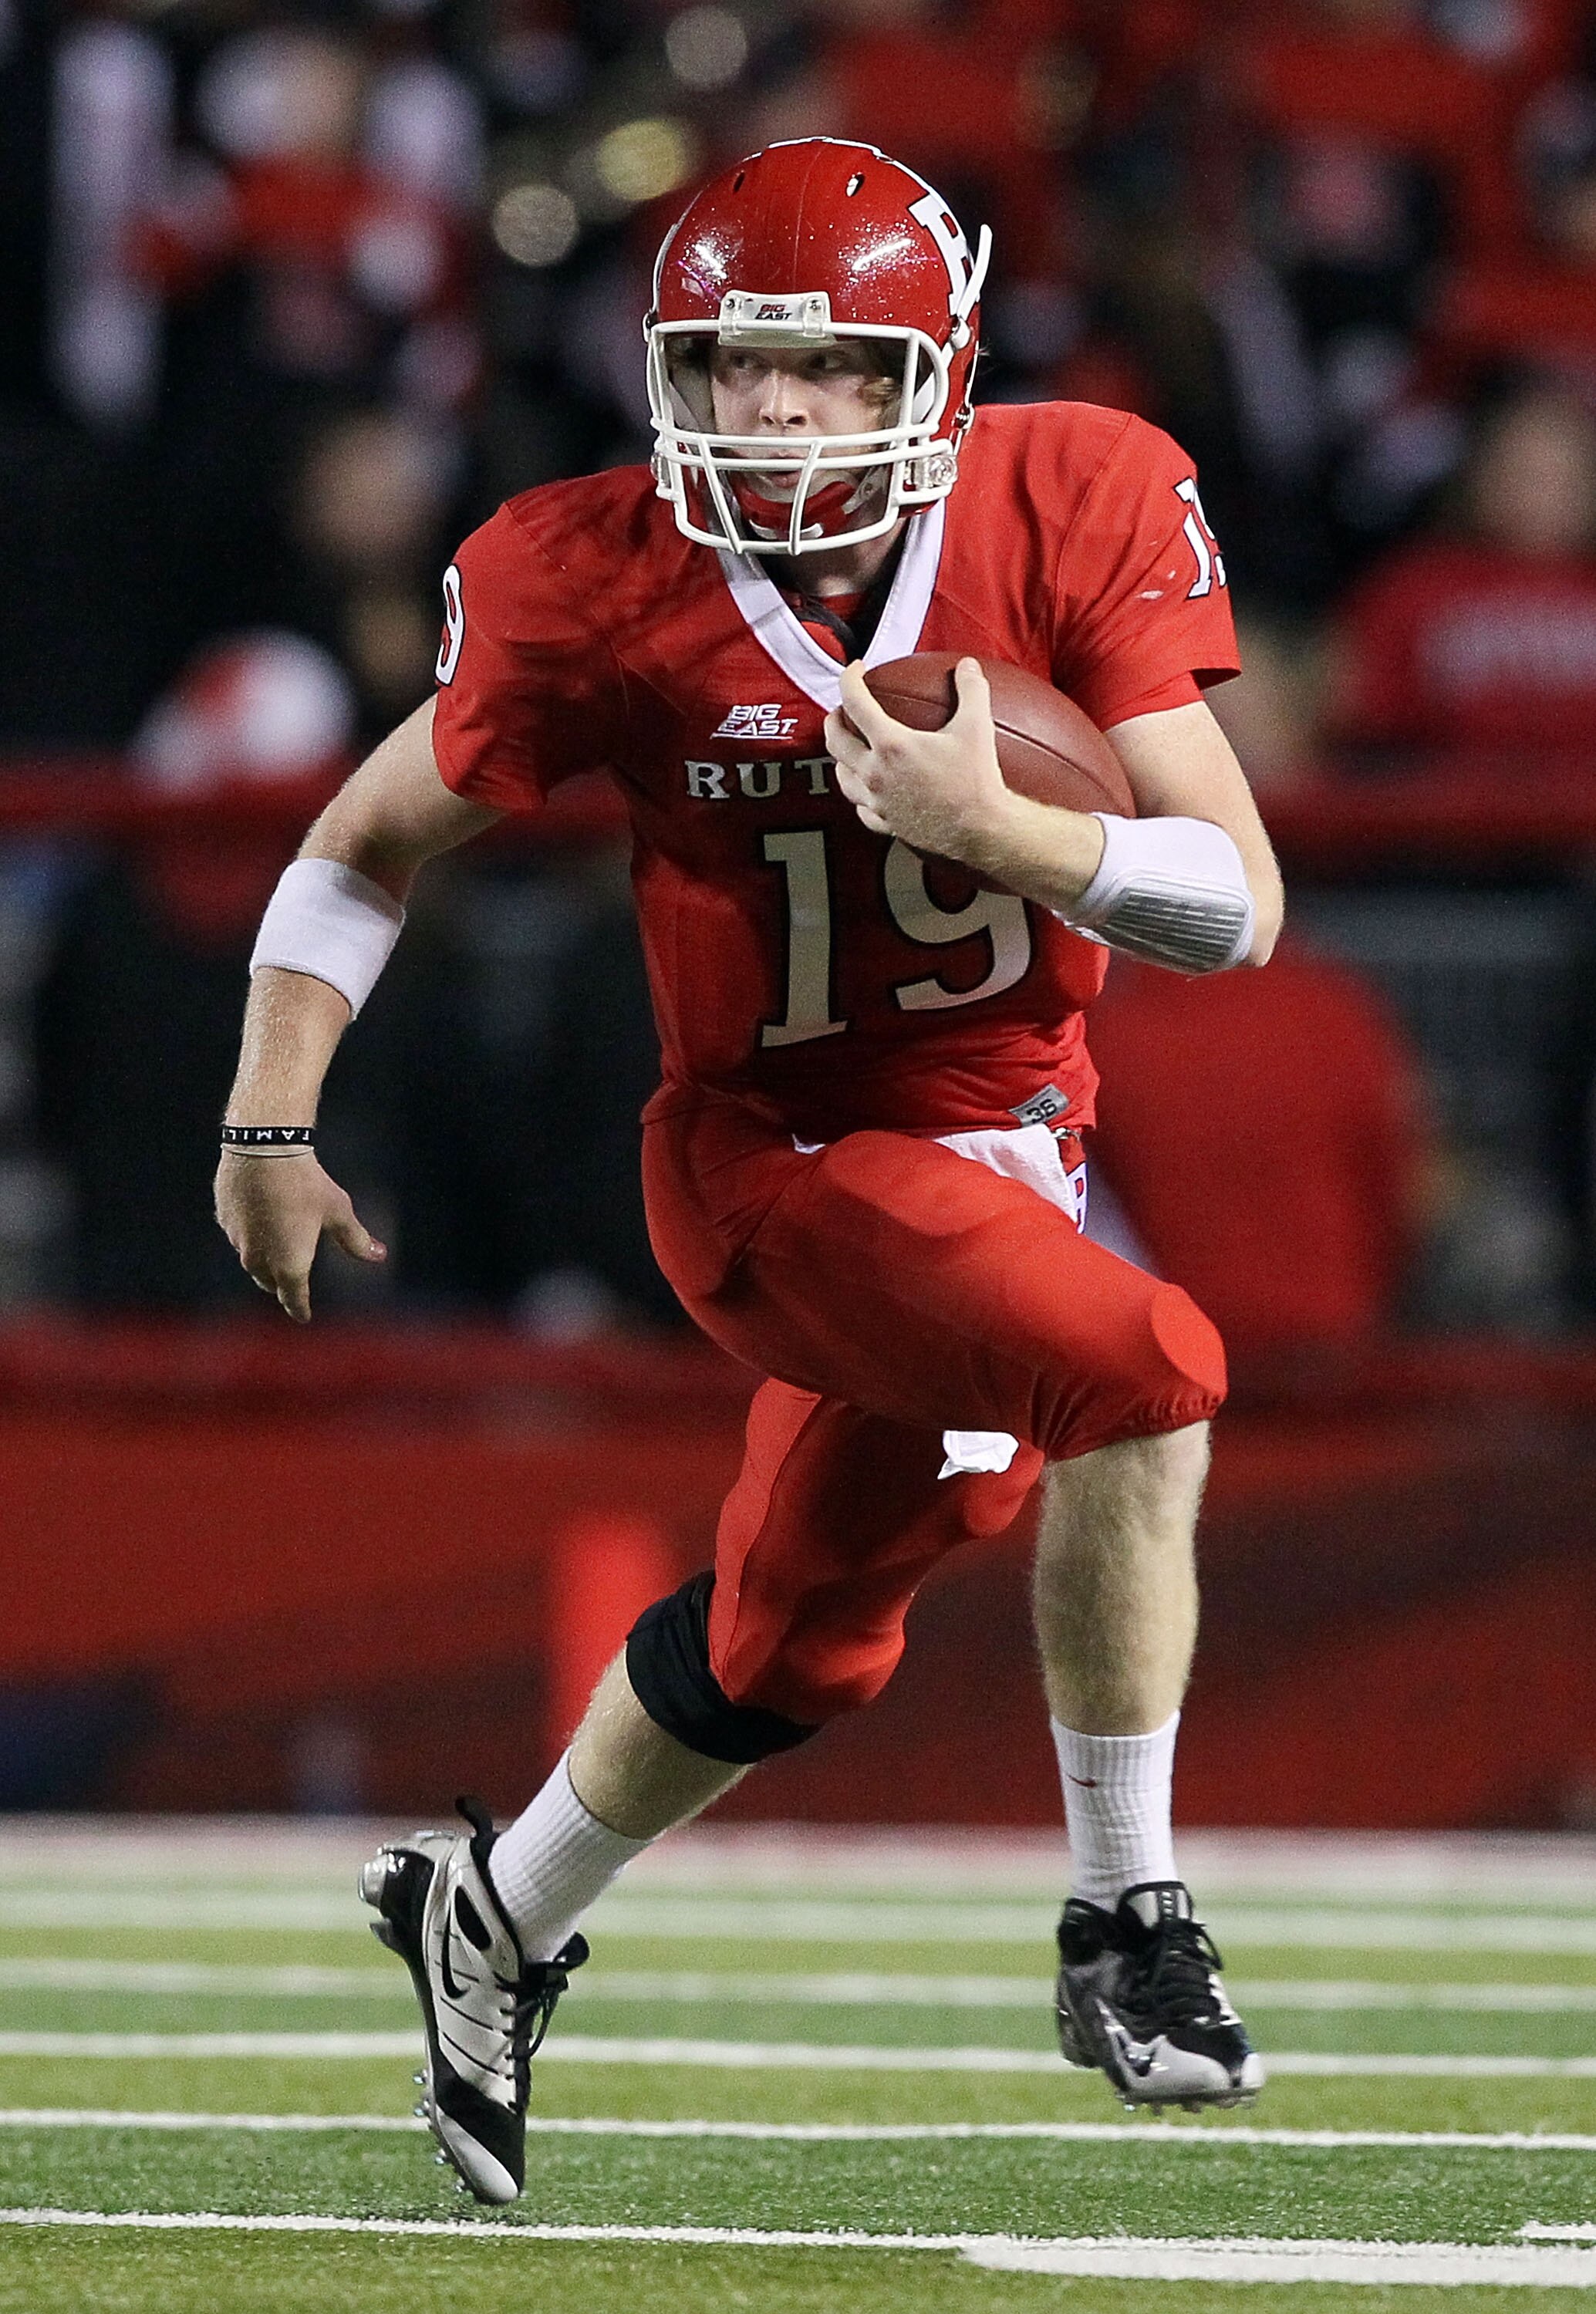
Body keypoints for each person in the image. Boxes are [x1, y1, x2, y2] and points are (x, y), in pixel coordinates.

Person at [214, 139, 1283, 2205]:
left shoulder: (1073, 495)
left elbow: (1233, 899)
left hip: (1007, 1149)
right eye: (728, 371)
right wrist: (270, 1115)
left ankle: (493, 1917)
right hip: (772, 1163)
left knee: (799, 1643)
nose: (769, 417)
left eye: (825, 373)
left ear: (931, 384)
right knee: (1150, 1367)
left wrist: (1022, 839)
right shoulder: (593, 570)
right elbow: (364, 840)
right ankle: (1127, 1927)